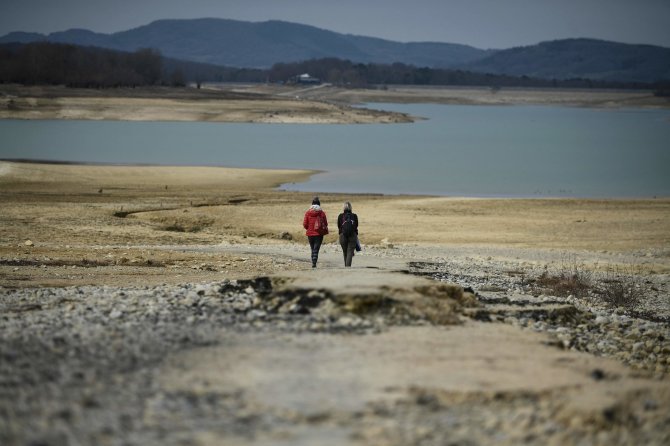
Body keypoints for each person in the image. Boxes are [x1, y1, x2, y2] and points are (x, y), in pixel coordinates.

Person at [303, 196, 328, 268]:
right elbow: (326, 223)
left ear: (312, 204)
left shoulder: (308, 212)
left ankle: (313, 261)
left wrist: (308, 228)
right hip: (319, 233)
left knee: (312, 248)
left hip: (310, 233)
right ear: (319, 204)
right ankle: (314, 261)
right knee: (316, 248)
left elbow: (305, 224)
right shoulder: (322, 213)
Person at [337, 201, 359, 267]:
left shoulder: (340, 216)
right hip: (353, 235)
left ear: (343, 208)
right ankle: (347, 267)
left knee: (345, 252)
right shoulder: (354, 216)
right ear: (350, 208)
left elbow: (339, 226)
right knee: (350, 252)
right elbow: (356, 225)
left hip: (342, 235)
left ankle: (346, 267)